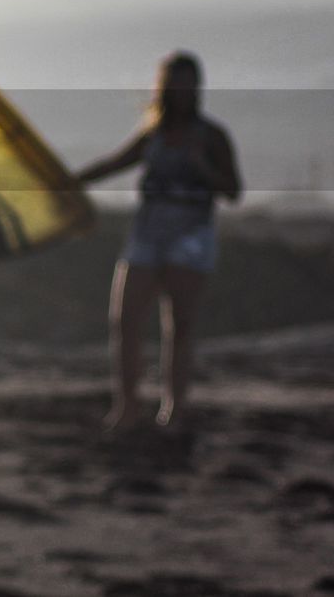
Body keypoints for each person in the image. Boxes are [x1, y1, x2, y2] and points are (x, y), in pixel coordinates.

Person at [76, 51, 242, 431]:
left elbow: (233, 191)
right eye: (175, 82)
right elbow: (115, 162)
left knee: (180, 325)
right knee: (125, 320)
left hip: (191, 235)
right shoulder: (153, 133)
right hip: (148, 232)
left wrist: (204, 169)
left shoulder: (212, 136)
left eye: (188, 83)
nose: (182, 91)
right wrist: (68, 182)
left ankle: (174, 409)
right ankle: (127, 406)